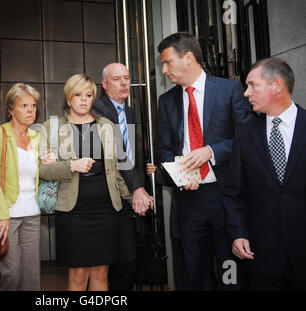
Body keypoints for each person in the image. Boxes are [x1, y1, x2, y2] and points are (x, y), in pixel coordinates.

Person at [156, 32, 254, 290]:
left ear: (188, 58)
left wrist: (211, 150)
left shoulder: (229, 89)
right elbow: (164, 151)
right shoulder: (166, 102)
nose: (164, 69)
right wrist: (180, 176)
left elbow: (247, 140)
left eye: (167, 62)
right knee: (194, 274)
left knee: (229, 273)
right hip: (189, 199)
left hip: (226, 197)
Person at [39, 74, 132, 291]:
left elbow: (117, 170)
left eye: (88, 95)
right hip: (73, 212)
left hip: (106, 209)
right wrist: (72, 166)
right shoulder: (51, 128)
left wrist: (133, 196)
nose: (83, 99)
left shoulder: (107, 126)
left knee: (101, 272)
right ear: (68, 98)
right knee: (79, 275)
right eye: (78, 95)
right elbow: (44, 170)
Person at [223, 58, 306, 290]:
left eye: (253, 85)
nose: (246, 93)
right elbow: (233, 194)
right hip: (261, 259)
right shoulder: (244, 135)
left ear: (277, 85)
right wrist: (237, 233)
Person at [0, 83, 52, 291]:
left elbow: (39, 173)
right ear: (11, 109)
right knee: (11, 273)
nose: (30, 110)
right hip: (3, 213)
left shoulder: (37, 137)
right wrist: (2, 214)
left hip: (31, 211)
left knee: (31, 276)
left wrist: (50, 161)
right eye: (24, 106)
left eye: (33, 106)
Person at [92, 62, 154, 291]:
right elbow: (117, 154)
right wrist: (137, 188)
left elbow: (133, 154)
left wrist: (142, 187)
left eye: (126, 77)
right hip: (105, 196)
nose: (124, 83)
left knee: (128, 259)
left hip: (128, 195)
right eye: (117, 79)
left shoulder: (130, 111)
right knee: (105, 264)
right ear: (105, 84)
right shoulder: (97, 110)